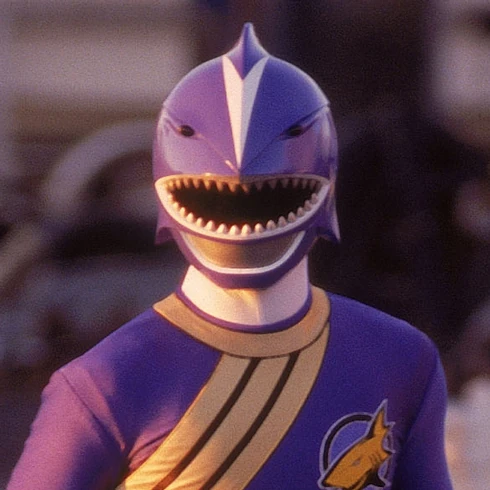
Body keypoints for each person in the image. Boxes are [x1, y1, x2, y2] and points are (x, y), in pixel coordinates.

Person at [7, 24, 453, 489]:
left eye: (267, 195)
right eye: (216, 195)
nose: (242, 208)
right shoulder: (104, 384)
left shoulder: (401, 361)